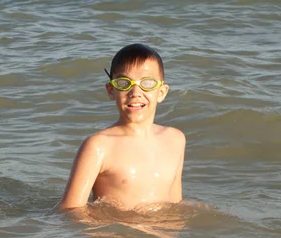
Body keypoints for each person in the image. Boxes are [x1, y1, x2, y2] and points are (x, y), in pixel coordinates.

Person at [56, 43, 185, 211]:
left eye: (147, 83)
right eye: (124, 83)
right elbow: (70, 210)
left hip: (160, 237)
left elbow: (176, 205)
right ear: (111, 91)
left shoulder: (175, 140)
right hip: (114, 236)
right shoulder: (99, 146)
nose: (135, 92)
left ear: (161, 92)